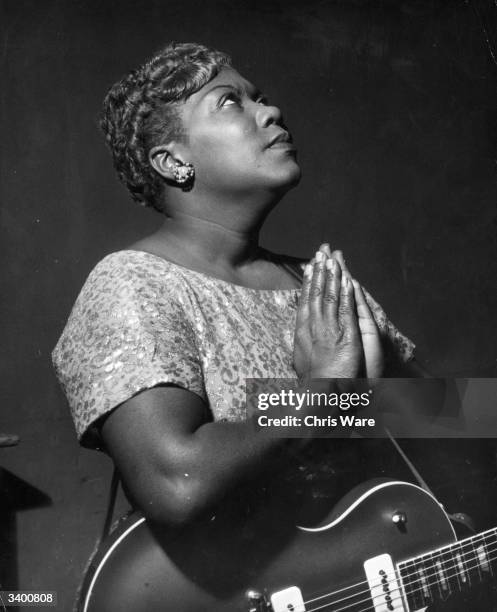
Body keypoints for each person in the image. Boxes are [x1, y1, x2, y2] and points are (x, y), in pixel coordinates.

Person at [52, 42, 420, 531]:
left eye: (260, 97)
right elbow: (176, 482)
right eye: (230, 102)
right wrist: (322, 395)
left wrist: (370, 400)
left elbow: (449, 424)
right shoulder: (133, 283)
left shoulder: (318, 282)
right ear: (172, 161)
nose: (271, 111)